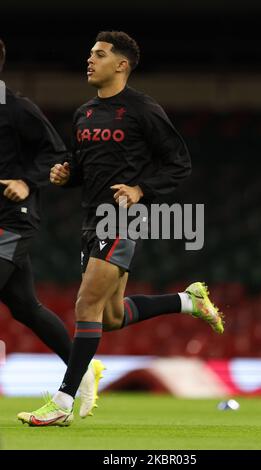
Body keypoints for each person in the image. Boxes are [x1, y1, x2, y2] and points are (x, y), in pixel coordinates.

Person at [18, 31, 224, 427]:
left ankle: (63, 402)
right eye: (90, 54)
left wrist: (140, 189)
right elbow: (85, 167)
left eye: (99, 54)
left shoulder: (143, 110)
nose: (90, 61)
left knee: (85, 306)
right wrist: (66, 173)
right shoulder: (84, 113)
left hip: (124, 217)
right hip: (91, 219)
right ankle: (187, 300)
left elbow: (178, 163)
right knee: (109, 315)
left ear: (122, 64)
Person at [0, 38, 104, 421]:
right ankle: (83, 366)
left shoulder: (17, 108)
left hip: (12, 218)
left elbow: (58, 155)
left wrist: (26, 181)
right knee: (25, 307)